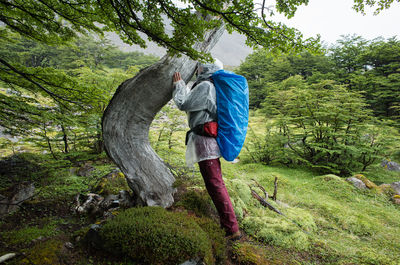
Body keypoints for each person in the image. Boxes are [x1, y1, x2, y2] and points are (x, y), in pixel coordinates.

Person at [172, 59, 241, 239]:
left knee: (215, 184)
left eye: (199, 67)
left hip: (205, 142)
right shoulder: (211, 85)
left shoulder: (205, 86)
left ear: (206, 69)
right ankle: (229, 225)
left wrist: (179, 85)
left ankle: (232, 229)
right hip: (207, 140)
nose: (197, 70)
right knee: (215, 183)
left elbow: (183, 104)